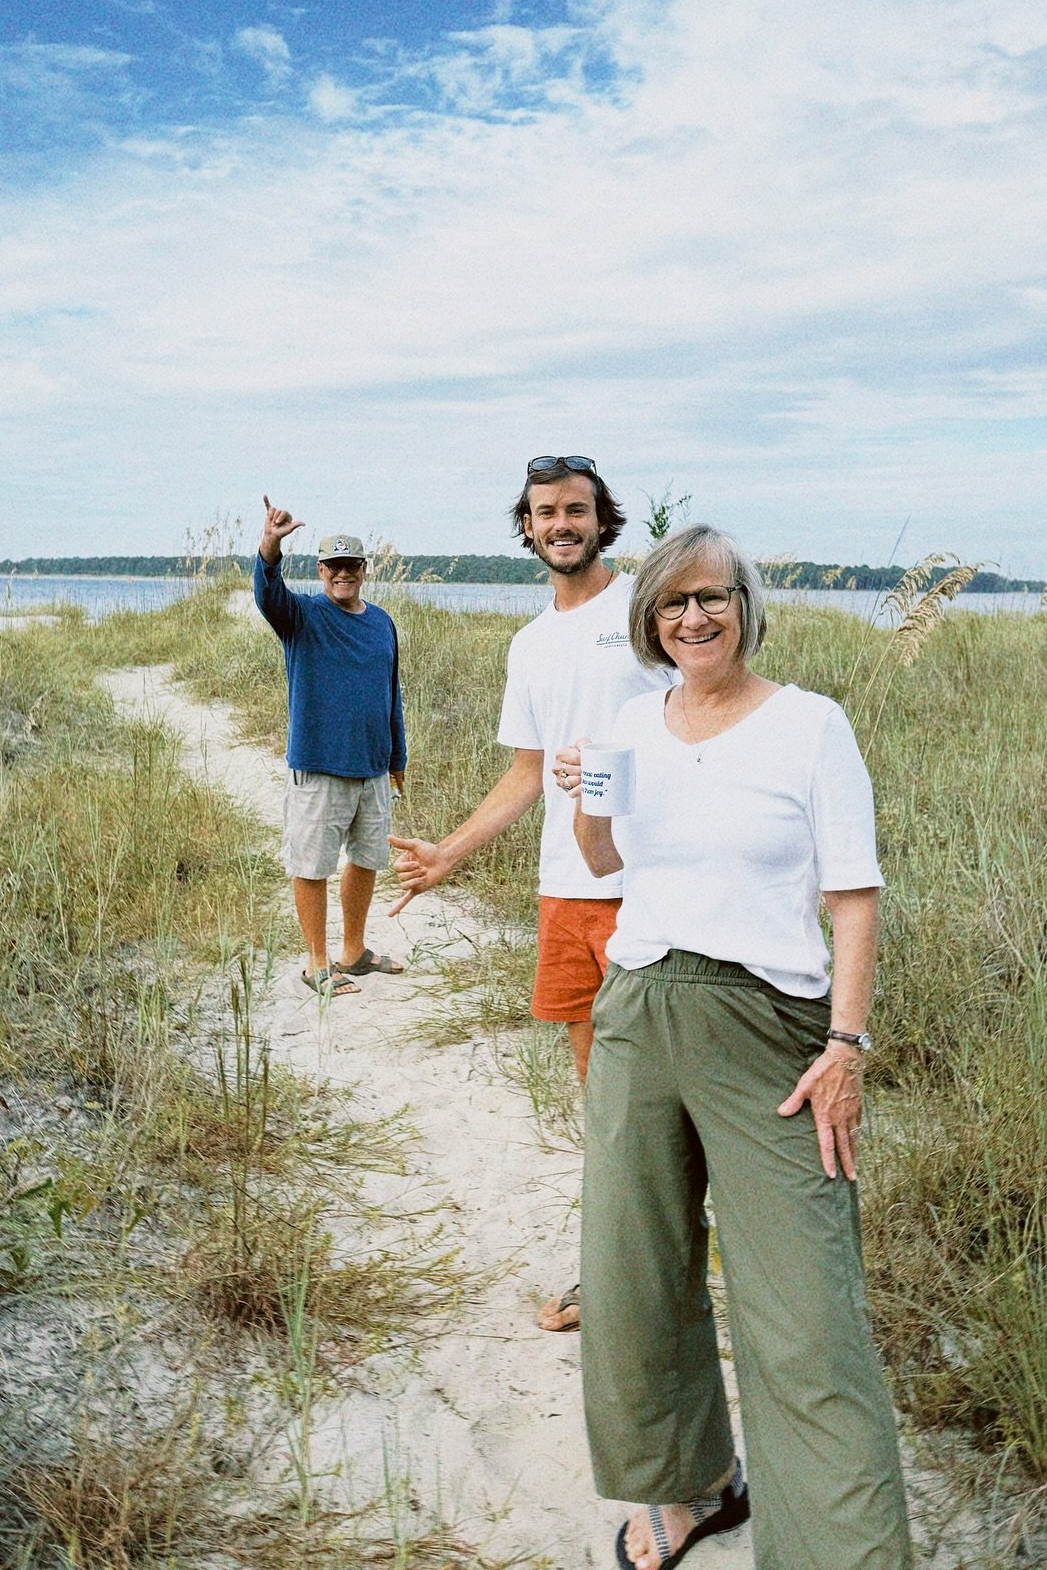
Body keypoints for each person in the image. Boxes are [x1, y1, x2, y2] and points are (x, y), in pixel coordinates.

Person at [558, 523, 913, 1570]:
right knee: (634, 1278)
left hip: (771, 1030)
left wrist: (846, 1045)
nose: (695, 617)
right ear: (651, 620)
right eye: (674, 603)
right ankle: (691, 1489)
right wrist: (589, 797)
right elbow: (607, 856)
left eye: (713, 597)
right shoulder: (632, 721)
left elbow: (853, 900)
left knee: (806, 1315)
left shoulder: (810, 727)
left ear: (745, 607)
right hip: (639, 1009)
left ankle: (842, 1554)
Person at [387, 454, 671, 1330]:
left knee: (668, 1093)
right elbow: (527, 771)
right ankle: (618, 1274)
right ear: (526, 526)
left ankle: (674, 1264)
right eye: (545, 512)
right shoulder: (529, 642)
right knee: (606, 1101)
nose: (561, 525)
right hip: (566, 892)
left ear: (602, 520)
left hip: (650, 888)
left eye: (576, 510)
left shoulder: (649, 611)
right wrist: (448, 854)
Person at [254, 498, 407, 995]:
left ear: (364, 570)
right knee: (312, 865)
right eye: (333, 566)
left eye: (351, 566)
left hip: (371, 769)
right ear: (321, 570)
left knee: (365, 860)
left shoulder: (382, 622)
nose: (343, 574)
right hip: (318, 768)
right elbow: (267, 592)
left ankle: (354, 952)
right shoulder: (300, 615)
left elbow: (391, 693)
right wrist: (270, 547)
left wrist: (397, 759)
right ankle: (316, 963)